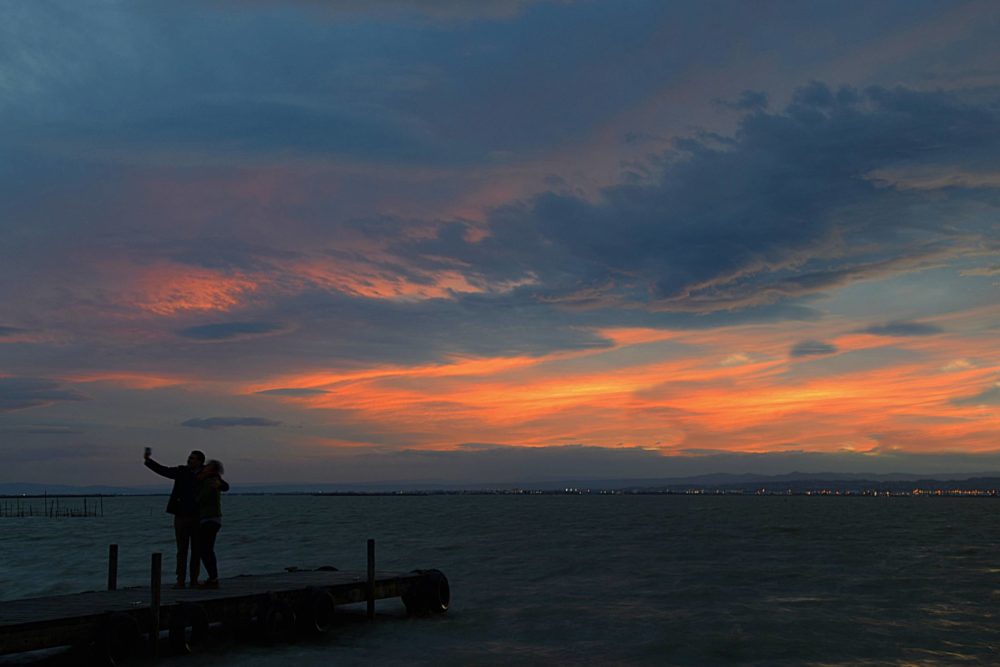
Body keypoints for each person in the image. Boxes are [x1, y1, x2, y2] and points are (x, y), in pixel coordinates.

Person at [143, 449, 205, 589]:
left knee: (196, 550)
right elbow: (164, 471)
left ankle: (194, 580)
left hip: (198, 516)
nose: (189, 460)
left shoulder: (205, 474)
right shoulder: (182, 471)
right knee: (182, 549)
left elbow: (223, 485)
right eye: (189, 457)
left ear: (200, 461)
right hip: (181, 515)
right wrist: (149, 461)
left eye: (193, 458)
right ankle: (181, 580)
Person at [194, 459, 228, 589]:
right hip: (210, 519)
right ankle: (213, 578)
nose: (205, 467)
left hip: (210, 519)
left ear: (212, 470)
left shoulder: (210, 481)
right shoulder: (210, 480)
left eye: (208, 466)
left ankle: (213, 578)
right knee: (206, 549)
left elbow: (202, 498)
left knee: (205, 550)